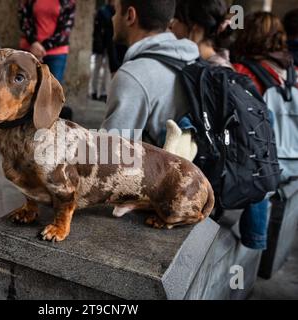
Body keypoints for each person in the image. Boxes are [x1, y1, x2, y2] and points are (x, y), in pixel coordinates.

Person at [170, 0, 272, 251]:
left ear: (193, 29)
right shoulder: (229, 69)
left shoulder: (200, 74)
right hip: (237, 192)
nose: (172, 25)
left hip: (208, 194)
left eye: (178, 20)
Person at [101, 0, 200, 145]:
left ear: (130, 16)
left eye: (116, 11)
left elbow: (109, 156)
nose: (112, 18)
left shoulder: (133, 76)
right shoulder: (193, 60)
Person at [19, 0, 76, 84]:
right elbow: (23, 18)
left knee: (51, 91)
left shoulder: (68, 2)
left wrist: (42, 47)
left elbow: (65, 29)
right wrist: (33, 42)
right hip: (29, 48)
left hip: (56, 53)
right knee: (24, 90)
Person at [91, 0, 115, 102]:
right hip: (101, 43)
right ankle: (94, 91)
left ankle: (104, 92)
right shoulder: (102, 11)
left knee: (107, 69)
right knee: (97, 67)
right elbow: (97, 29)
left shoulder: (114, 11)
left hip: (110, 43)